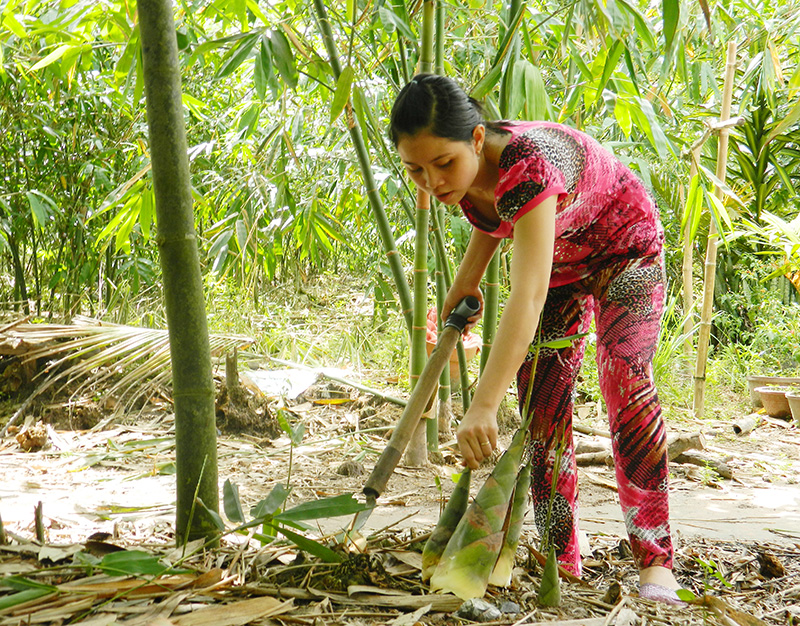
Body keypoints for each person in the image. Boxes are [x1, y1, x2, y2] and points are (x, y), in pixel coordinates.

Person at [388, 73, 684, 605]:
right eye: (415, 169)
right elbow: (488, 225)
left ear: (477, 139)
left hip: (626, 250)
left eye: (443, 164)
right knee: (541, 405)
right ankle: (560, 554)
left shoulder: (530, 161)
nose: (431, 181)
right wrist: (462, 294)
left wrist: (481, 404)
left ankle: (655, 560)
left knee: (624, 378)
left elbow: (524, 298)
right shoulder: (466, 176)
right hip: (563, 270)